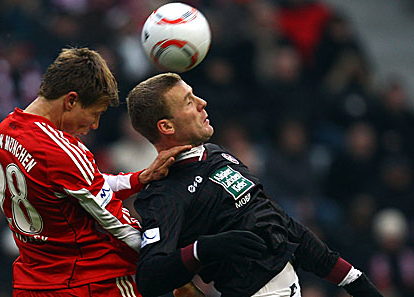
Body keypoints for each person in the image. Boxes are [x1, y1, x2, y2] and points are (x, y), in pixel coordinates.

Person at [126, 72, 384, 297]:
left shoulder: (217, 155)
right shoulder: (164, 193)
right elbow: (150, 276)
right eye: (189, 102)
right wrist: (203, 249)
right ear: (166, 126)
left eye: (195, 96)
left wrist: (354, 281)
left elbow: (282, 224)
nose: (203, 103)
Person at [0, 48, 191, 297]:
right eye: (95, 114)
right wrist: (173, 266)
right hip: (92, 282)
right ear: (71, 100)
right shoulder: (58, 149)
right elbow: (117, 224)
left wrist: (139, 179)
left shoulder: (3, 133)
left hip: (34, 283)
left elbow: (75, 187)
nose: (94, 125)